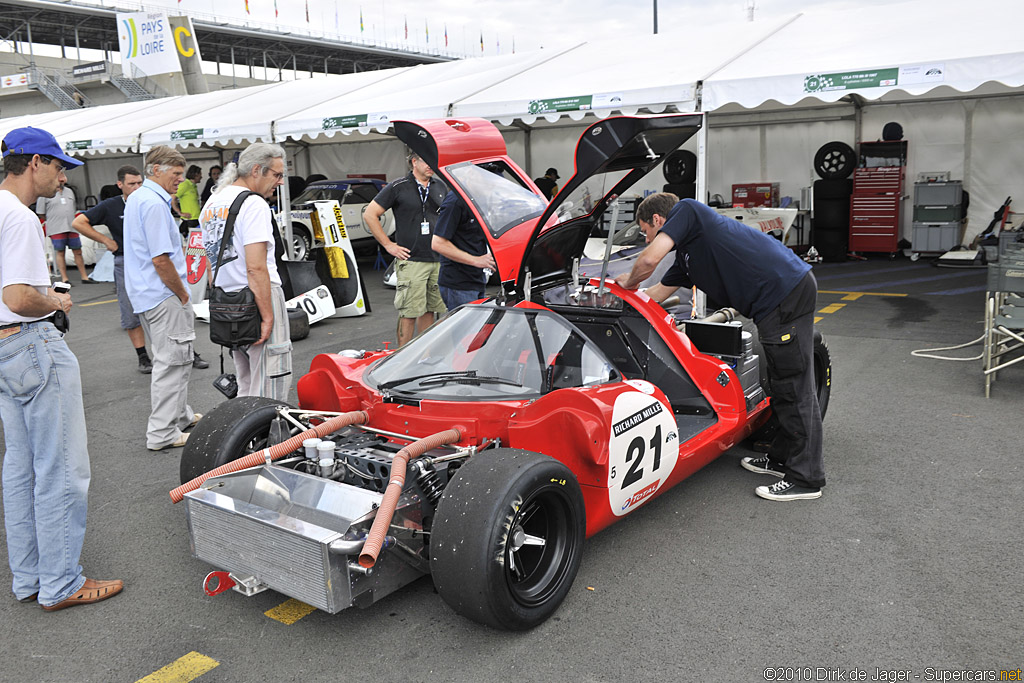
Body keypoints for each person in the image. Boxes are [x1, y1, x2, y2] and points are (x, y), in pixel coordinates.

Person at [614, 193, 825, 502]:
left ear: (658, 221)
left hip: (785, 294)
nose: (646, 237)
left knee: (796, 387)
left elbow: (647, 262)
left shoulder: (688, 210)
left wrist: (627, 281)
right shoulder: (687, 254)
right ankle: (782, 460)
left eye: (645, 231)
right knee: (781, 385)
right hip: (773, 302)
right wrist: (618, 303)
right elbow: (655, 294)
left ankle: (807, 479)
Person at [0, 126, 123, 610]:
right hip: (30, 344)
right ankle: (61, 582)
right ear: (34, 163)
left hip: (4, 351)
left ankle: (30, 577)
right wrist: (55, 300)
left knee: (21, 468)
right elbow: (19, 297)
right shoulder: (20, 218)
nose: (63, 177)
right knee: (61, 470)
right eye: (58, 166)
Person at [123, 146, 203, 452]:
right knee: (174, 361)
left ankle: (179, 416)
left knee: (172, 357)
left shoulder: (138, 199)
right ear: (155, 169)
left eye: (181, 175)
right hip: (163, 292)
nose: (180, 181)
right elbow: (160, 259)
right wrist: (182, 293)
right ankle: (162, 432)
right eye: (176, 174)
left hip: (146, 293)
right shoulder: (154, 205)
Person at [200, 143, 292, 401]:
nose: (280, 182)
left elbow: (209, 259)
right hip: (257, 295)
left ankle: (245, 436)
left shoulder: (213, 201)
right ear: (256, 170)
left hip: (228, 298)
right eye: (276, 174)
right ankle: (272, 439)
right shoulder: (254, 204)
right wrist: (268, 316)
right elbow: (256, 266)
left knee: (245, 380)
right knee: (271, 380)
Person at [71, 166, 155, 374]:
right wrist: (105, 240)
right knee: (129, 310)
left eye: (139, 183)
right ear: (120, 185)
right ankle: (142, 356)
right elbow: (78, 222)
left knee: (163, 307)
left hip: (152, 261)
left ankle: (179, 352)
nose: (136, 188)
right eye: (131, 184)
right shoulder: (111, 205)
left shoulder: (149, 201)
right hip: (125, 262)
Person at [365, 151, 448, 346]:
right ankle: (401, 358)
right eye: (427, 161)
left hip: (437, 259)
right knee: (409, 312)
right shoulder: (398, 186)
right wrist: (388, 245)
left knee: (430, 310)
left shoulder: (440, 186)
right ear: (414, 162)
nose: (432, 166)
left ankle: (423, 356)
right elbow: (370, 214)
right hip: (412, 260)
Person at [431, 185, 496, 310]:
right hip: (459, 283)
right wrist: (476, 260)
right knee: (464, 328)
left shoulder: (479, 201)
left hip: (477, 279)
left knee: (476, 326)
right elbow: (438, 243)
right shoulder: (455, 200)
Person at [36, 178, 96, 285]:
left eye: (62, 180)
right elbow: (41, 213)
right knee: (60, 252)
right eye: (58, 180)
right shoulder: (45, 193)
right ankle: (65, 279)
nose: (61, 182)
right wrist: (53, 219)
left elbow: (73, 207)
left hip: (72, 226)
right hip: (56, 228)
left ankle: (84, 277)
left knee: (78, 251)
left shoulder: (69, 191)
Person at [173, 164, 202, 238]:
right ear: (195, 174)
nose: (201, 177)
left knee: (196, 244)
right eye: (200, 174)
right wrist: (179, 213)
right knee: (187, 244)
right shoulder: (185, 185)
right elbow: (173, 198)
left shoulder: (193, 185)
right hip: (189, 220)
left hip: (196, 219)